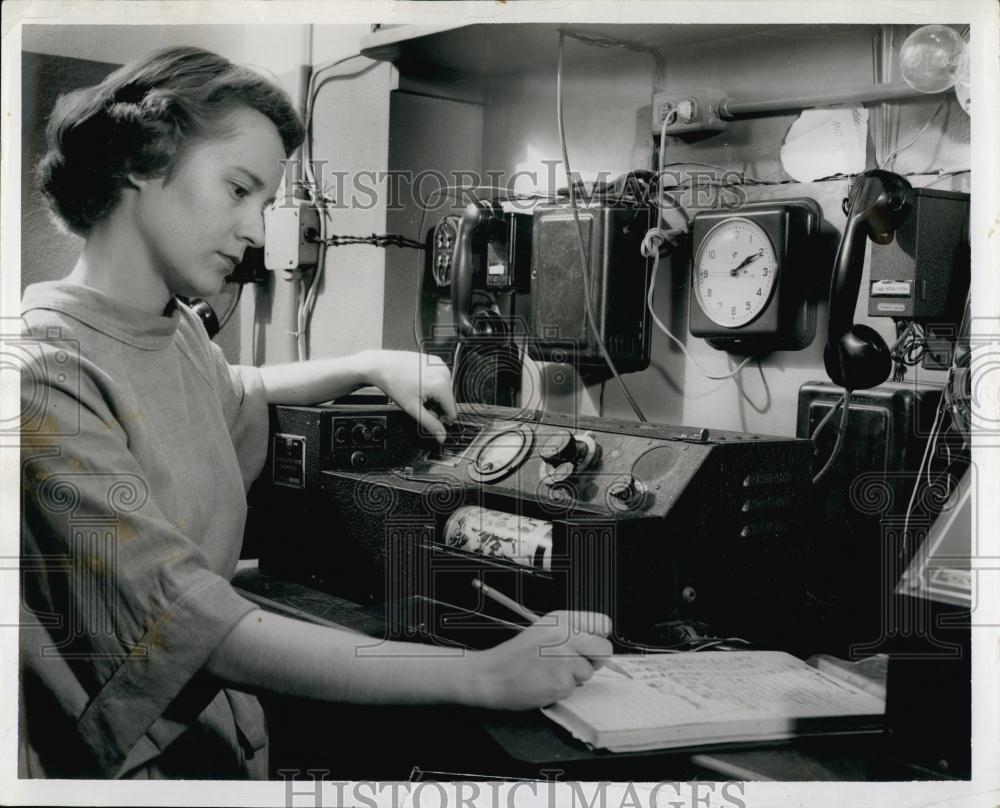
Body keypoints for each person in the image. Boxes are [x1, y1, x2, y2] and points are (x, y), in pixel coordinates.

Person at [19, 46, 613, 779]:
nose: (256, 231)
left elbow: (241, 387)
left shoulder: (173, 333)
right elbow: (206, 631)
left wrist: (366, 362)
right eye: (238, 189)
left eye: (265, 203)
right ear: (143, 160)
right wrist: (483, 675)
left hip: (220, 743)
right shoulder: (40, 375)